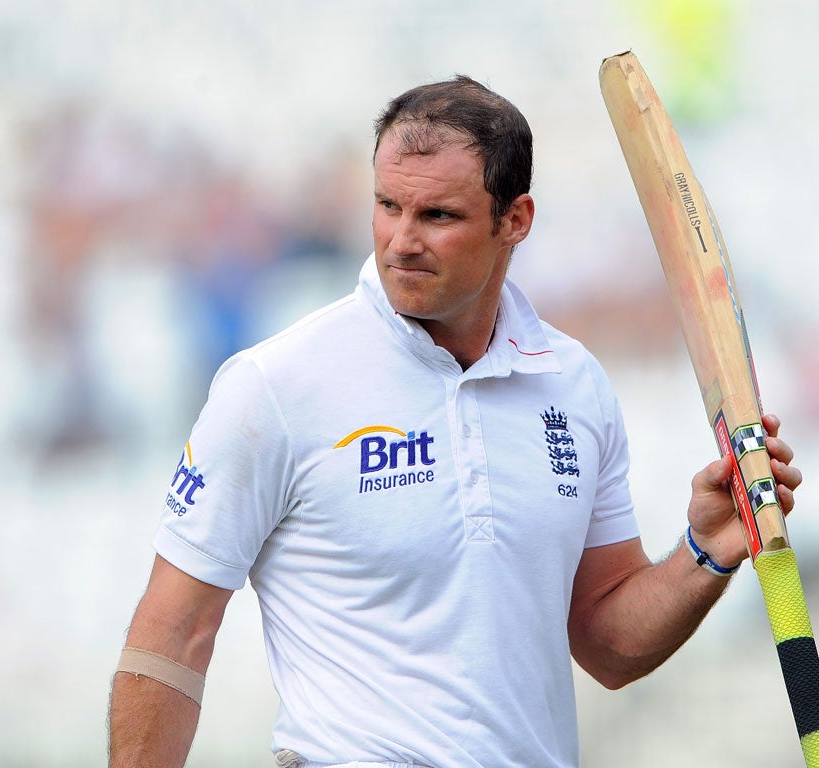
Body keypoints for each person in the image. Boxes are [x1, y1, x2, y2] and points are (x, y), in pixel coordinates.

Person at [107, 75, 802, 768]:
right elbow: (173, 635)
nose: (401, 240)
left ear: (516, 220)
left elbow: (609, 645)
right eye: (387, 206)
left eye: (438, 215)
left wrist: (705, 552)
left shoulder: (573, 383)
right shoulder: (276, 386)